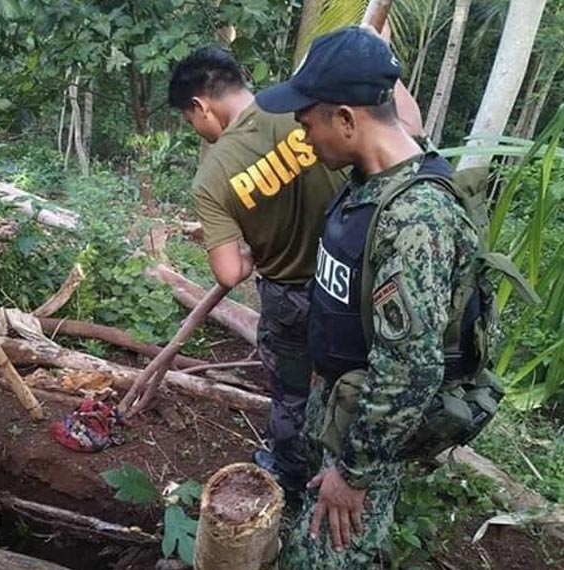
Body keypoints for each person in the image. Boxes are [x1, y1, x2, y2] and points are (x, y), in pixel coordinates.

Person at [254, 27, 479, 567]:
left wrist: (354, 475)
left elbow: (411, 370)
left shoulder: (414, 219)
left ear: (348, 119)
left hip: (362, 441)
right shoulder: (367, 181)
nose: (305, 142)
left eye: (308, 125)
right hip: (334, 403)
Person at [168, 47, 345, 495]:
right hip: (348, 279)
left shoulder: (212, 176)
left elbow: (229, 274)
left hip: (289, 296)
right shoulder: (303, 111)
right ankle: (344, 469)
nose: (196, 129)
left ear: (200, 106)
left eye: (191, 121)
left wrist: (250, 251)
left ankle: (289, 474)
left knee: (290, 395)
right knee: (348, 379)